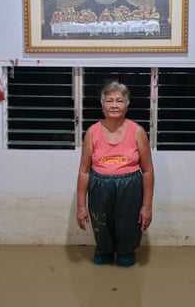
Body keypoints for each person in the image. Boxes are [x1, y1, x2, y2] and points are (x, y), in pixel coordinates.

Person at [76, 81, 154, 267]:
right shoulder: (92, 132)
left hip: (130, 187)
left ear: (126, 105)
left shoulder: (138, 132)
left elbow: (148, 171)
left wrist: (147, 206)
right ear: (102, 106)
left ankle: (126, 252)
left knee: (128, 225)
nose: (114, 105)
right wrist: (80, 206)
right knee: (101, 224)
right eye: (109, 101)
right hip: (99, 186)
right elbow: (84, 171)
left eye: (119, 101)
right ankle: (103, 251)